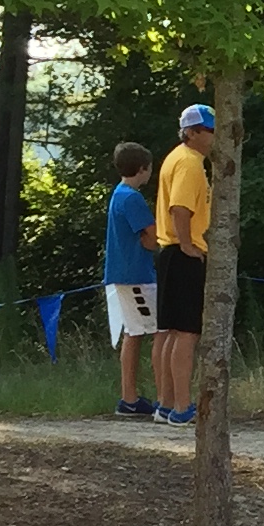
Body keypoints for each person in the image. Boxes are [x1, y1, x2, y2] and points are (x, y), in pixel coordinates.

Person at [152, 104, 214, 424]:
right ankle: (181, 407)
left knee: (173, 332)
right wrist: (188, 244)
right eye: (210, 131)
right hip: (182, 252)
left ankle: (165, 404)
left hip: (170, 252)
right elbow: (179, 207)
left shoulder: (176, 157)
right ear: (192, 132)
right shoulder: (189, 162)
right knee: (188, 333)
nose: (215, 137)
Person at [103, 142, 160, 419]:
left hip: (122, 274)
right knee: (161, 331)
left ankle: (129, 398)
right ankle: (166, 398)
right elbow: (152, 235)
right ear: (142, 169)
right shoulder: (132, 198)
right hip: (137, 275)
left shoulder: (118, 194)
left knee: (133, 332)